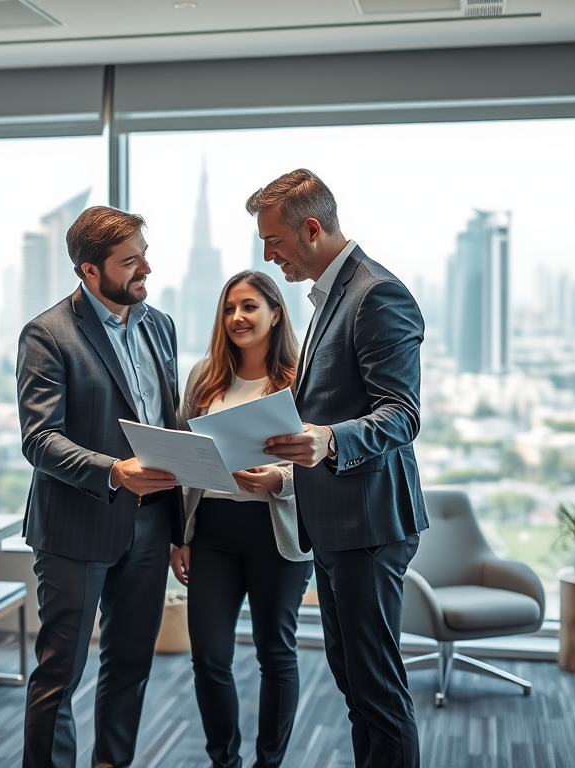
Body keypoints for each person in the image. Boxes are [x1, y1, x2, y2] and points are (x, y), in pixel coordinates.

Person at [249, 170, 429, 768]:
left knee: (376, 691)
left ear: (312, 227)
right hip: (332, 524)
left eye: (273, 241)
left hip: (369, 526)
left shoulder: (376, 293)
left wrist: (326, 440)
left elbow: (401, 416)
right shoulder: (333, 295)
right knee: (355, 686)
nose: (268, 256)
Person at [16, 206, 184, 768]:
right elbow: (40, 440)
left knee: (130, 667)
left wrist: (180, 530)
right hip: (75, 527)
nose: (146, 269)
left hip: (152, 523)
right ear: (89, 271)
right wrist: (115, 471)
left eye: (144, 254)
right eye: (130, 261)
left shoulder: (160, 325)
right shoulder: (47, 335)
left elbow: (170, 428)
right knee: (61, 673)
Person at [171, 269, 312, 768]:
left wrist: (280, 481)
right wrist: (178, 537)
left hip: (276, 533)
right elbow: (183, 460)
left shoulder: (299, 381)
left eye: (250, 306)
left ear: (276, 312)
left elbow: (320, 463)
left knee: (275, 654)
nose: (237, 318)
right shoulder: (204, 378)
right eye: (230, 308)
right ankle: (223, 761)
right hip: (211, 531)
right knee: (209, 658)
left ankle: (268, 762)